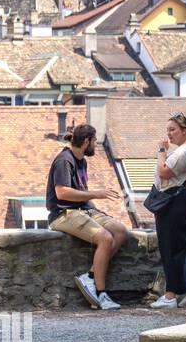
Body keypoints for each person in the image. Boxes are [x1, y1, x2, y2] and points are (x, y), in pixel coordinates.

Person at [47, 123, 128, 311]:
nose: (96, 146)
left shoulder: (81, 160)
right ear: (86, 141)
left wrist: (95, 207)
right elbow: (62, 193)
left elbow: (81, 193)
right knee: (105, 238)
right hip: (63, 214)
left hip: (83, 210)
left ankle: (90, 276)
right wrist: (96, 194)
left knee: (121, 231)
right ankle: (101, 293)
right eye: (94, 142)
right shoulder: (64, 160)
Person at [149, 113, 186, 308]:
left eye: (172, 129)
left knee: (171, 246)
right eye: (168, 130)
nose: (169, 134)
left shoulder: (184, 151)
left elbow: (163, 171)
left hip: (177, 201)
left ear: (184, 130)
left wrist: (161, 150)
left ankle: (170, 295)